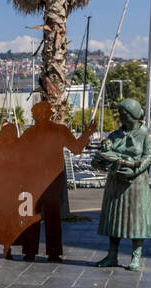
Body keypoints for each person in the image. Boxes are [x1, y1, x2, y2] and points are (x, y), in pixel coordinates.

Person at [14, 101, 96, 263]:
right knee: (53, 216)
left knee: (32, 216)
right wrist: (86, 134)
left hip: (34, 180)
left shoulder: (30, 133)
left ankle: (30, 251)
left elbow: (18, 155)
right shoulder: (60, 131)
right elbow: (77, 148)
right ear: (49, 114)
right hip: (53, 180)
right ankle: (53, 252)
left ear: (36, 115)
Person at [93, 98, 151, 271]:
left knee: (137, 221)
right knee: (114, 219)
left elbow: (148, 157)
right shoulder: (116, 134)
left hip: (136, 184)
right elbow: (106, 149)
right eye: (120, 114)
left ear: (134, 115)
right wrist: (104, 152)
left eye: (124, 114)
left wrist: (135, 171)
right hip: (116, 182)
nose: (121, 117)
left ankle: (136, 256)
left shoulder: (145, 134)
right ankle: (112, 254)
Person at [0, 123, 38, 259]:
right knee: (3, 219)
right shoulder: (13, 150)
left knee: (1, 219)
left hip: (1, 189)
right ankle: (1, 248)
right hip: (4, 189)